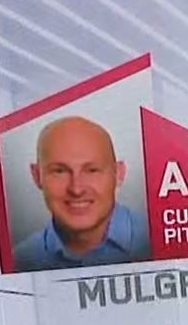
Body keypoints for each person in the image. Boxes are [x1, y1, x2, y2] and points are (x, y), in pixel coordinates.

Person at [13, 115, 151, 272]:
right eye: (60, 171)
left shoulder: (159, 241)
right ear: (37, 176)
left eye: (92, 170)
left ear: (119, 174)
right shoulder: (19, 262)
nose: (76, 189)